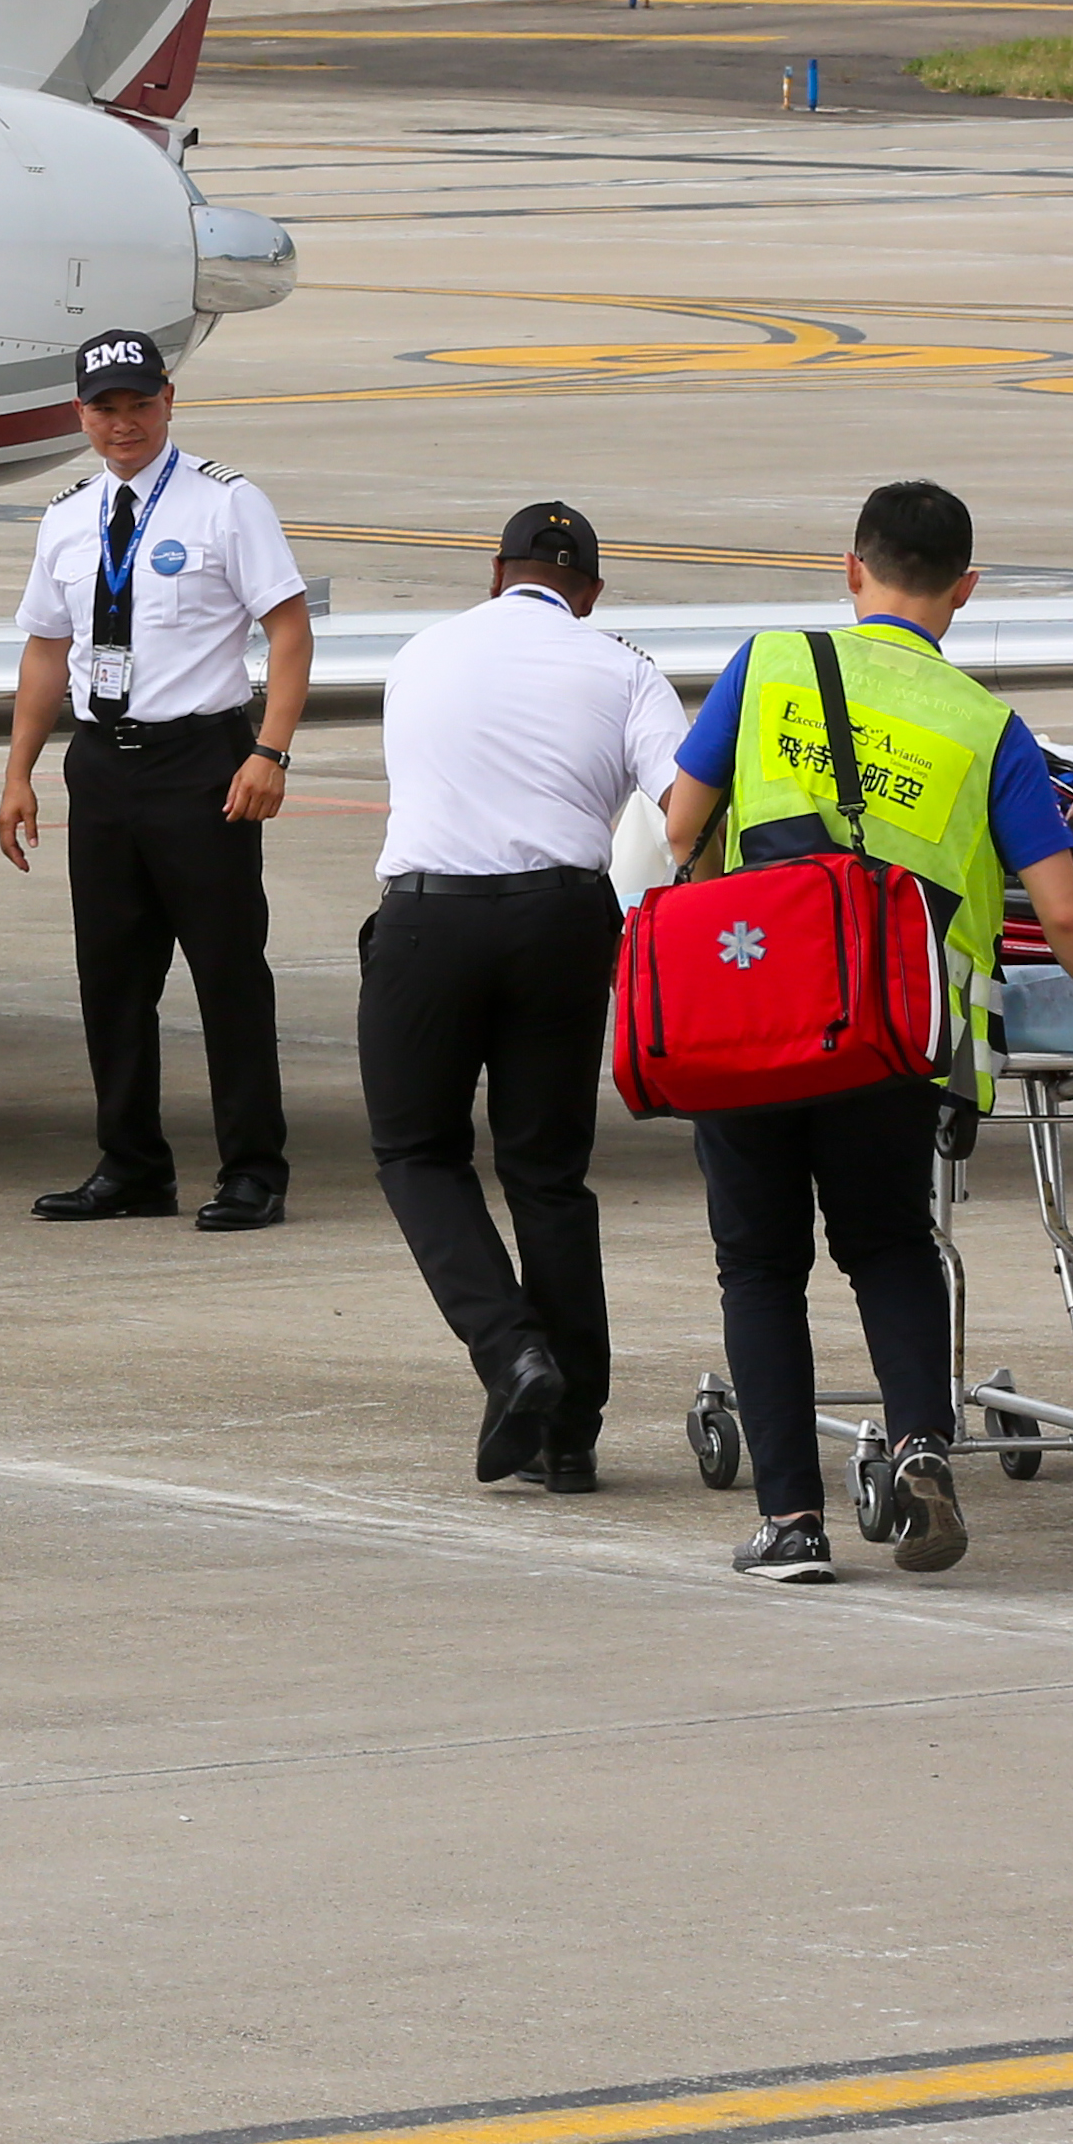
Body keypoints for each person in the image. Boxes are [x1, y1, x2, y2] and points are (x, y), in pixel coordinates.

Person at [652, 478, 1073, 1585]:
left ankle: (791, 1523)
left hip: (756, 1012)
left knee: (757, 1265)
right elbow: (1067, 905)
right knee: (888, 1240)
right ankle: (921, 1443)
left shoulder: (769, 662)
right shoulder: (988, 726)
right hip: (894, 1028)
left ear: (852, 570)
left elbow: (681, 821)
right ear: (965, 589)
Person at [357, 501, 686, 1491]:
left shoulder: (420, 651)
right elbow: (683, 811)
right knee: (547, 1174)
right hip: (559, 919)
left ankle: (509, 1351)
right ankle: (570, 1434)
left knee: (415, 1150)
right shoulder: (623, 666)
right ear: (584, 590)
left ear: (493, 572)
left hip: (428, 917)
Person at [0, 332, 314, 1231]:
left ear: (168, 401)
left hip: (200, 765)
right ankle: (131, 1164)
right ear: (80, 415)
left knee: (225, 973)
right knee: (111, 977)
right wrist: (18, 772)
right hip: (100, 766)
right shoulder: (67, 516)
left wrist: (270, 752)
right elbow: (45, 647)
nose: (122, 423)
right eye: (105, 408)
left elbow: (288, 632)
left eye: (138, 404)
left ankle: (253, 1169)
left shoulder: (225, 505)